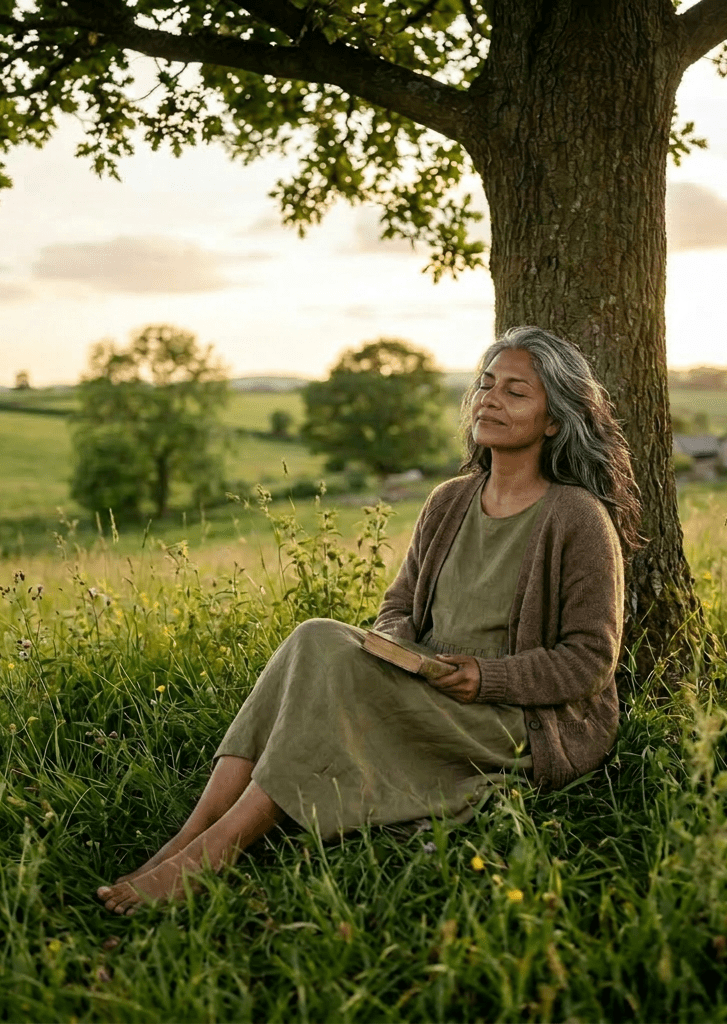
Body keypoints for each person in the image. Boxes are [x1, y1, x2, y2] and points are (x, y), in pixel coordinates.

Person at [96, 325, 641, 915]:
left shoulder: (577, 518)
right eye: (486, 385)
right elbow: (398, 608)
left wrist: (485, 677)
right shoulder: (449, 500)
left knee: (323, 645)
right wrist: (396, 652)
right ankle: (188, 837)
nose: (490, 399)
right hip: (428, 686)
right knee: (315, 639)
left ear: (554, 419)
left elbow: (590, 660)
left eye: (516, 392)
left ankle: (208, 857)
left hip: (508, 721)